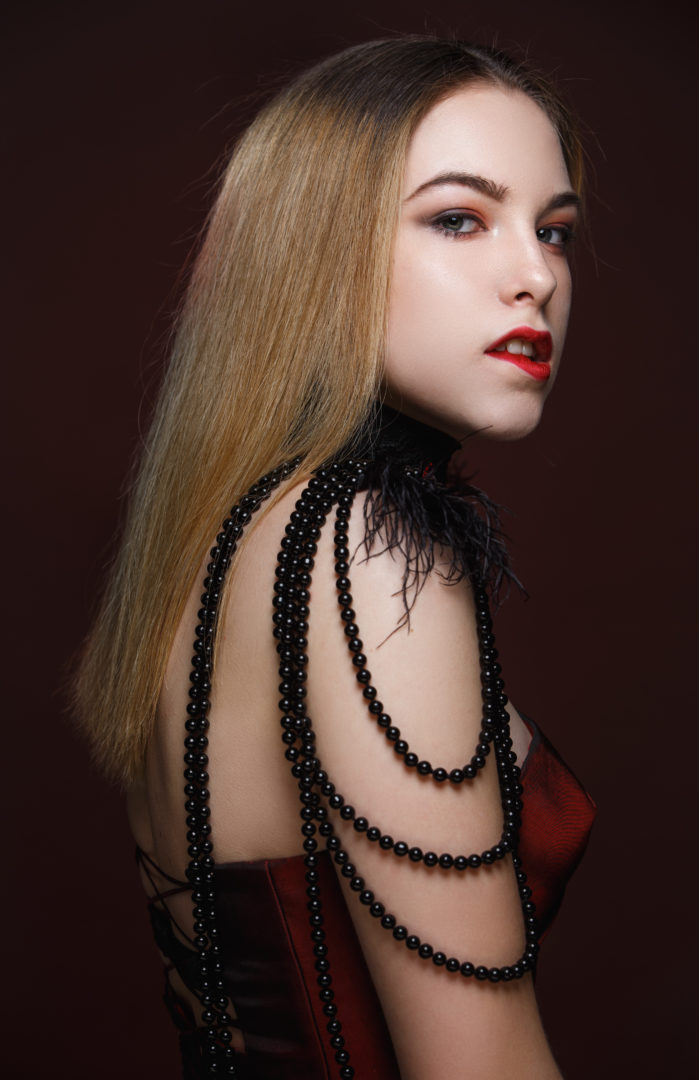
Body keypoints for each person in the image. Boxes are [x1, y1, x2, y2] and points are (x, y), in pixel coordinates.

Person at [75, 36, 596, 1079]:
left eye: (554, 230)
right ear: (314, 244)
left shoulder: (227, 536)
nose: (536, 276)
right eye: (459, 218)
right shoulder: (365, 545)